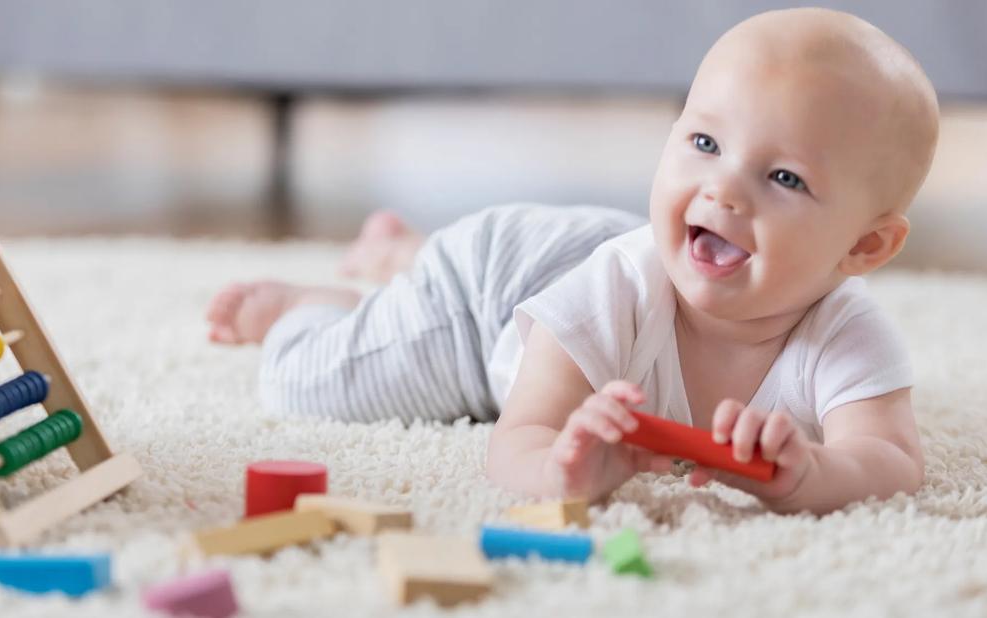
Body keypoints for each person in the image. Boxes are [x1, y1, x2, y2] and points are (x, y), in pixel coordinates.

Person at [206, 7, 939, 515]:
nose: (721, 189)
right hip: (488, 296)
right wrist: (563, 470)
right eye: (704, 144)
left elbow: (890, 461)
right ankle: (313, 303)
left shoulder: (844, 333)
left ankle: (404, 254)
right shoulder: (612, 291)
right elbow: (515, 440)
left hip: (598, 248)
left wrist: (812, 476)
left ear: (863, 247)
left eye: (783, 179)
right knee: (309, 384)